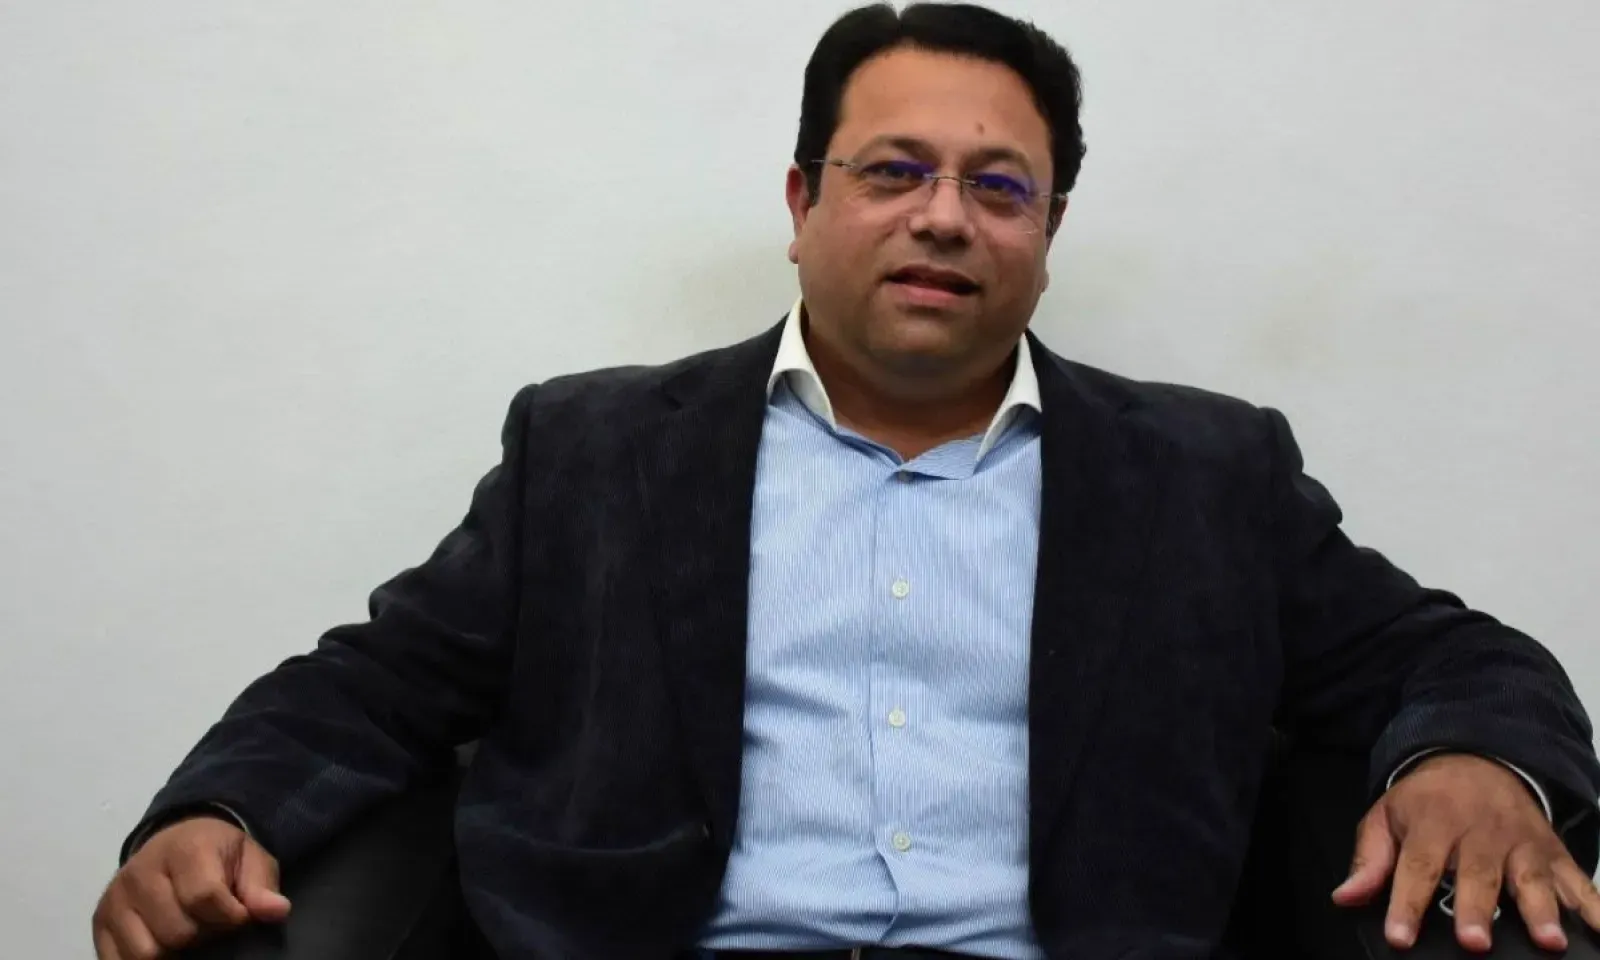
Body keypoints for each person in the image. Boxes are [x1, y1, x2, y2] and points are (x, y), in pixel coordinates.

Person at [92, 4, 1600, 959]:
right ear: (804, 201)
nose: (944, 218)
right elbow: (375, 684)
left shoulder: (1205, 474)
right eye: (893, 171)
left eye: (999, 186)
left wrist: (1471, 761)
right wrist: (216, 807)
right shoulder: (597, 452)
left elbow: (1452, 656)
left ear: (1047, 232)